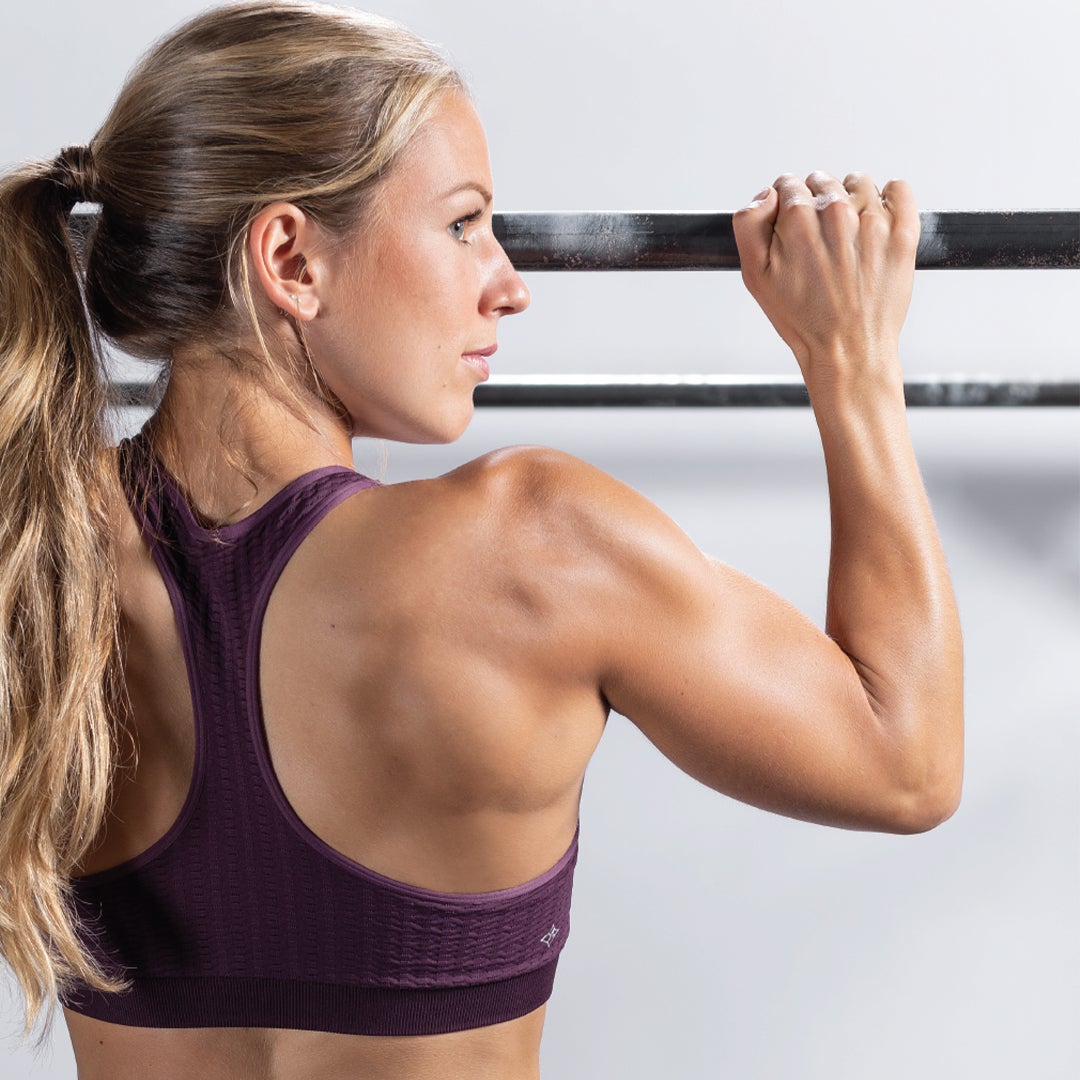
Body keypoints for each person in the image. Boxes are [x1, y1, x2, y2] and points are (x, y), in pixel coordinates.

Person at [0, 2, 963, 1077]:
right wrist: (854, 361)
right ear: (291, 259)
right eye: (464, 224)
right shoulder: (535, 545)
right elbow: (905, 762)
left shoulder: (29, 553)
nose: (508, 283)